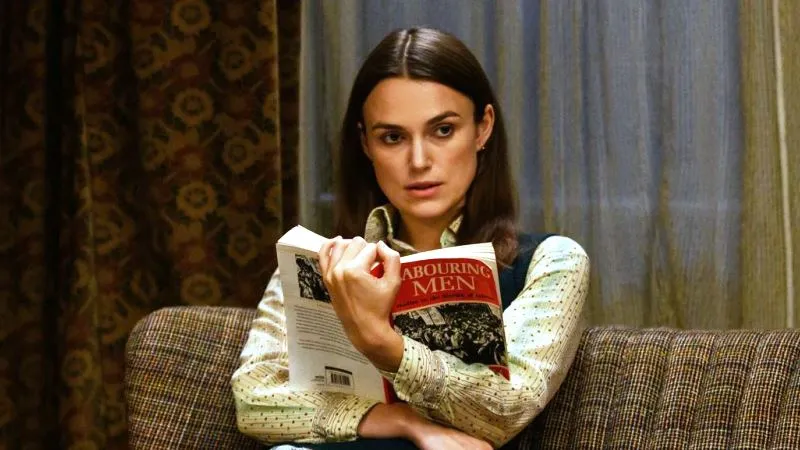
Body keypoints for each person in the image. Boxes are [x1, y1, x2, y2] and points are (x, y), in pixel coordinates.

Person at [231, 27, 590, 450]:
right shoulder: (319, 262)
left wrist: (384, 346)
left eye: (443, 130)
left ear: (482, 128)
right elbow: (253, 400)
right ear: (366, 144)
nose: (418, 161)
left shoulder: (551, 262)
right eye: (393, 137)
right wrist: (401, 421)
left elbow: (506, 410)